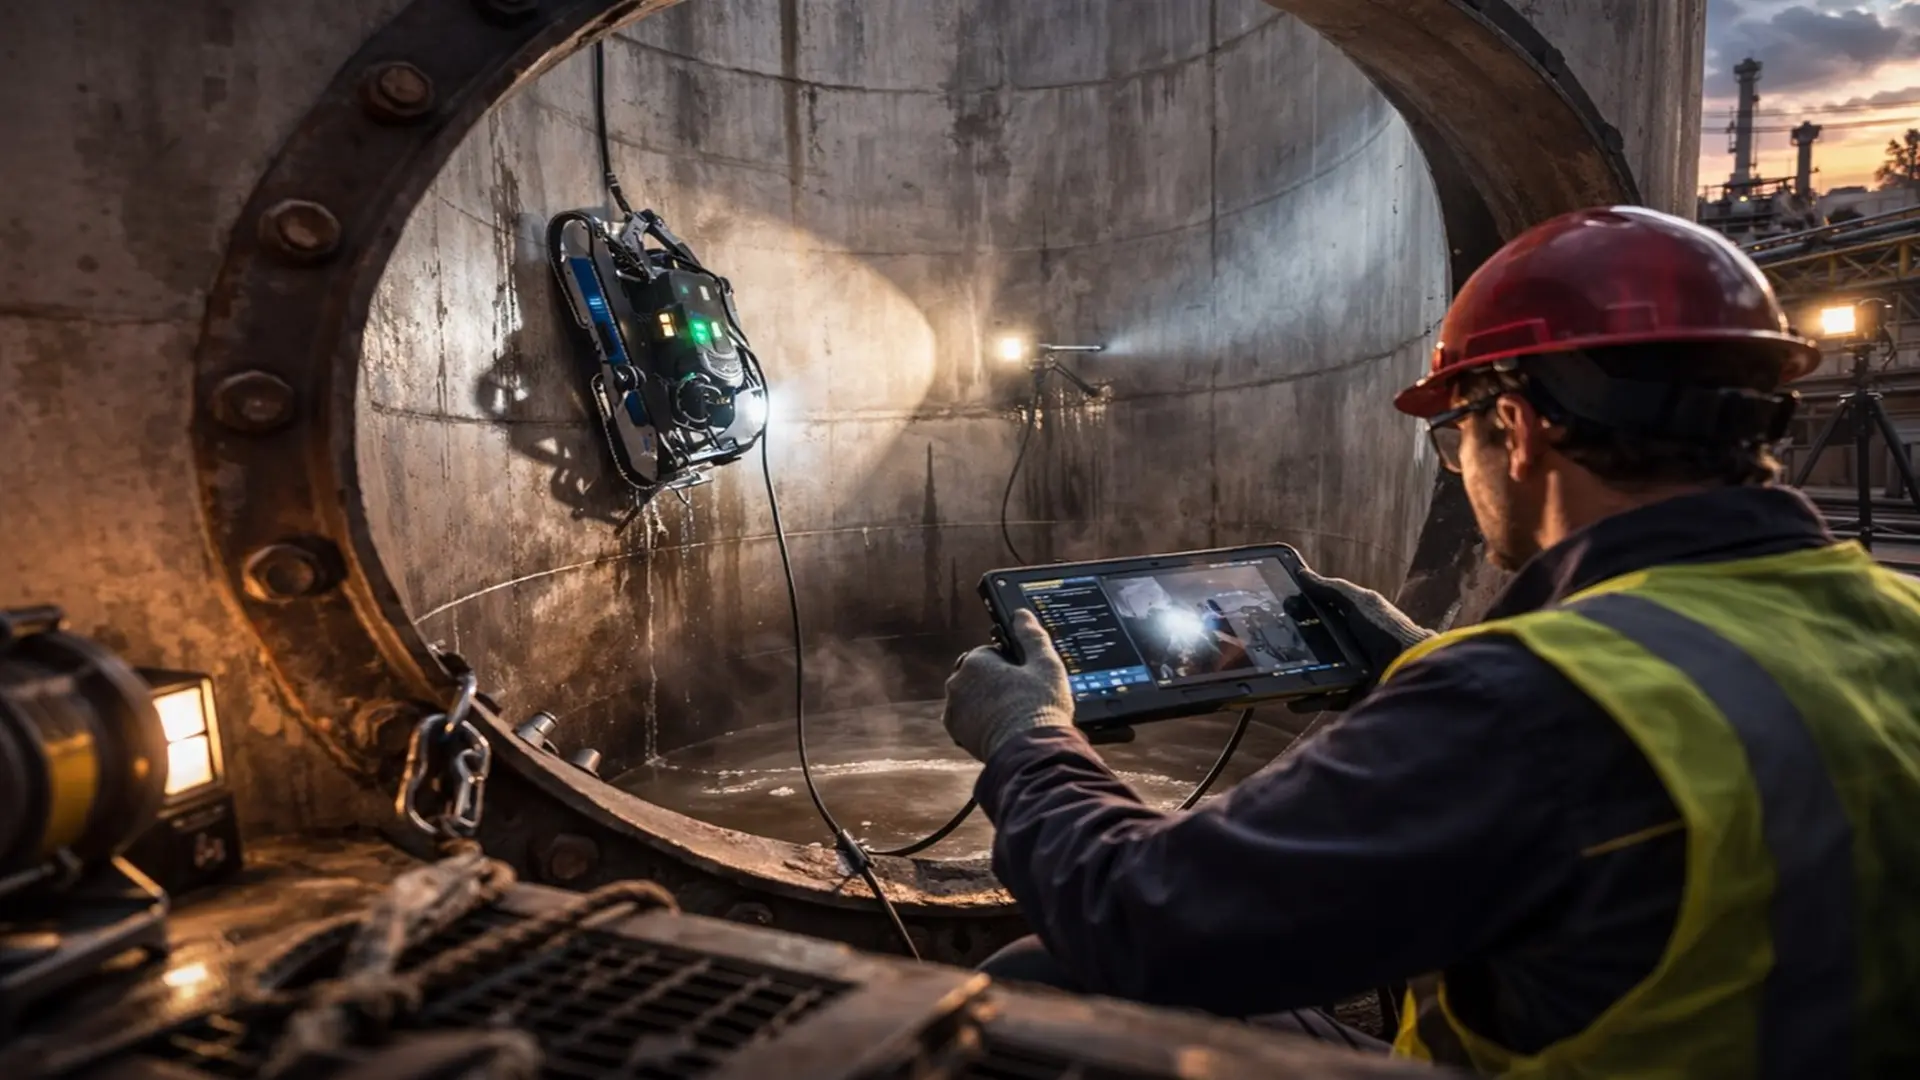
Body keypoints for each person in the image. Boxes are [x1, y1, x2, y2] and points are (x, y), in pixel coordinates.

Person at [939, 206, 1920, 1076]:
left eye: (1457, 435)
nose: (1462, 464)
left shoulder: (1532, 702)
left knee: (1046, 987)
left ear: (1520, 427)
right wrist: (1420, 659)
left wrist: (1028, 738)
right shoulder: (1890, 619)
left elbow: (1143, 920)